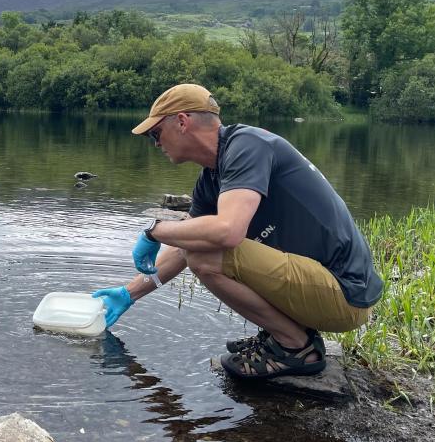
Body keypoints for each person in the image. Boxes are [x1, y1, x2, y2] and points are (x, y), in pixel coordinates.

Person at [93, 84, 383, 379]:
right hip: (318, 284)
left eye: (155, 133)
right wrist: (128, 295)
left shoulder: (247, 145)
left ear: (181, 122)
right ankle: (280, 335)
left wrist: (155, 231)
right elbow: (184, 245)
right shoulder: (212, 177)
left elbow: (227, 232)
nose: (155, 143)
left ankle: (297, 348)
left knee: (205, 257)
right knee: (198, 245)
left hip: (345, 296)